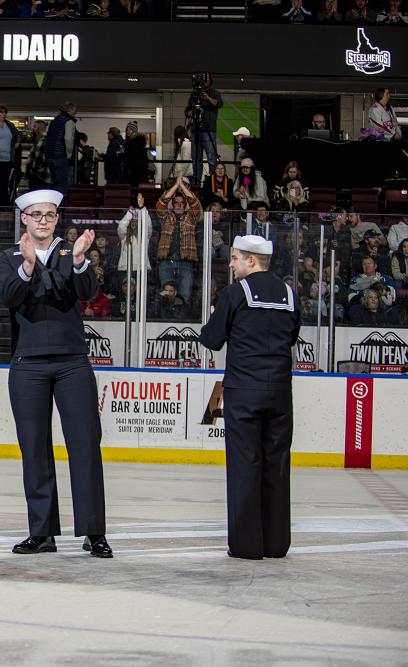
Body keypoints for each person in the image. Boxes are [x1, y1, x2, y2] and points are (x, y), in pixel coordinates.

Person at [0, 190, 111, 558]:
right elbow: (8, 295)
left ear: (57, 218)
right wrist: (28, 267)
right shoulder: (6, 258)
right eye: (37, 214)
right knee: (34, 448)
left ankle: (94, 531)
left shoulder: (68, 253)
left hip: (73, 362)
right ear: (23, 218)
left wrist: (78, 262)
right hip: (28, 364)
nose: (44, 220)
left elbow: (87, 292)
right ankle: (41, 532)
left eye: (51, 214)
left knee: (85, 446)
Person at [198, 235, 301, 560]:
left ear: (251, 261)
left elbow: (212, 340)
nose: (231, 264)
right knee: (277, 464)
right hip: (281, 392)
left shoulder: (235, 293)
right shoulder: (289, 294)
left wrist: (216, 316)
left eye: (235, 258)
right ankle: (276, 544)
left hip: (244, 391)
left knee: (245, 464)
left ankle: (246, 545)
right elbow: (293, 335)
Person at [156, 175, 202, 307]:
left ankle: (183, 322)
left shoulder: (191, 217)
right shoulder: (166, 216)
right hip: (166, 261)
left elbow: (195, 203)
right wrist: (175, 186)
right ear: (173, 204)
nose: (179, 205)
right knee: (165, 296)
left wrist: (182, 187)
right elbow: (161, 203)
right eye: (176, 203)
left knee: (185, 296)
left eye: (182, 203)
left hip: (185, 263)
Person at [184, 72, 222, 187]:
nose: (203, 81)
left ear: (210, 81)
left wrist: (207, 97)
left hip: (208, 129)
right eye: (201, 79)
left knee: (211, 158)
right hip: (195, 130)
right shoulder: (194, 94)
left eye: (205, 79)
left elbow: (219, 104)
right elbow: (187, 111)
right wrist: (189, 113)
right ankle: (196, 184)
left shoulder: (214, 93)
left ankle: (212, 183)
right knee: (196, 158)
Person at [45, 102, 78, 192]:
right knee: (62, 185)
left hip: (50, 156)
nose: (76, 113)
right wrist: (69, 154)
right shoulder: (69, 122)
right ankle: (61, 205)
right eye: (75, 111)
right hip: (60, 156)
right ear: (70, 110)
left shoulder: (54, 121)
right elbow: (68, 139)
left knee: (53, 183)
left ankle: (53, 204)